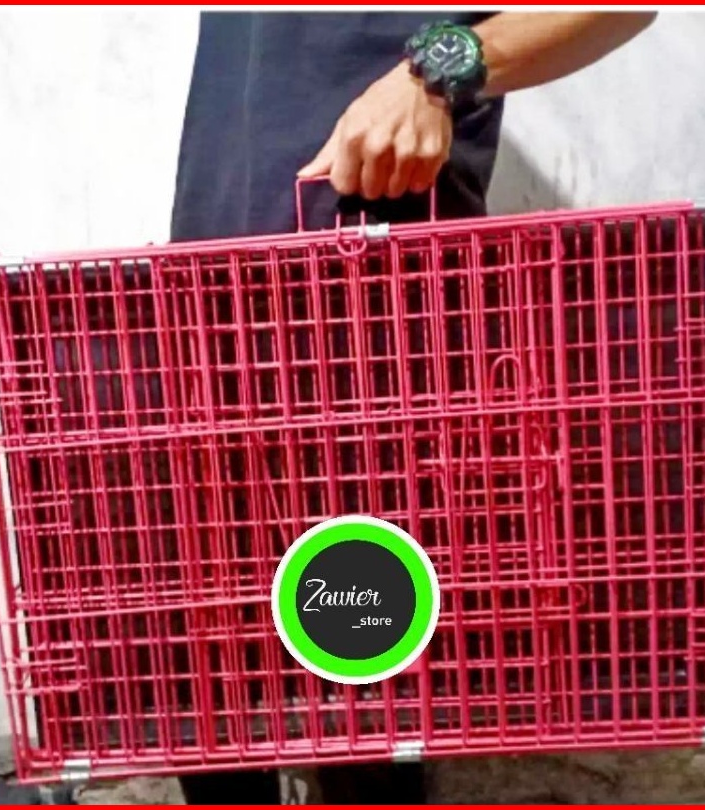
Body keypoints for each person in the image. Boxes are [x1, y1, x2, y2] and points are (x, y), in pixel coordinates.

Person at [170, 10, 656, 805]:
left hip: (372, 300)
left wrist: (438, 72)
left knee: (369, 698)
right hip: (210, 292)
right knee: (209, 702)